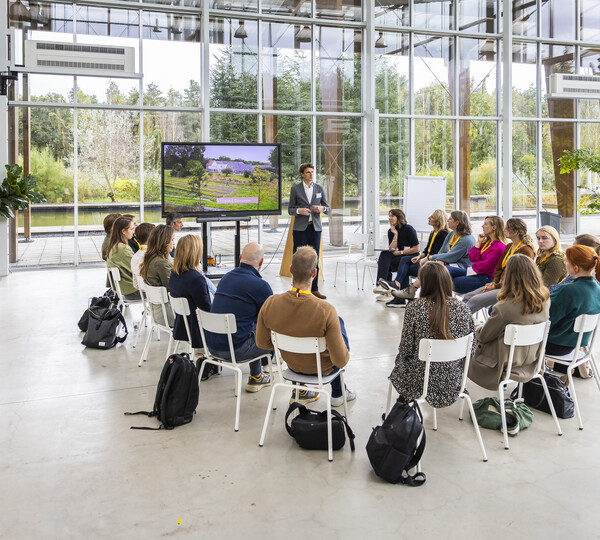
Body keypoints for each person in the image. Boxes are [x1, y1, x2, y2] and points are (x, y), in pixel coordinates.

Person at [256, 246, 356, 407]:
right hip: (322, 369)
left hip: (292, 366)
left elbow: (262, 343)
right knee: (338, 321)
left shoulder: (270, 303)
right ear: (314, 273)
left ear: (290, 270)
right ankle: (338, 392)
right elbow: (341, 360)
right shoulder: (325, 310)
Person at [388, 262, 474, 408]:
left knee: (402, 362)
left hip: (420, 380)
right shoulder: (463, 308)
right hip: (452, 379)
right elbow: (472, 348)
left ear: (424, 283)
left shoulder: (415, 308)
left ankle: (401, 407)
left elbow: (406, 349)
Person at [468, 255, 550, 390]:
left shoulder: (504, 308)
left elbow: (483, 337)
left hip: (503, 362)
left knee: (464, 344)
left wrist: (476, 323)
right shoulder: (545, 300)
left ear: (509, 276)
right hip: (533, 359)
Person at [205, 242, 273, 393]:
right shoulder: (260, 285)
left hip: (211, 347)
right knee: (269, 331)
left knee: (251, 321)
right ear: (261, 262)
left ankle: (257, 374)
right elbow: (274, 320)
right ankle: (259, 375)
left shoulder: (226, 278)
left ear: (240, 257)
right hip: (236, 351)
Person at [391, 210, 475, 305]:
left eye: (450, 219)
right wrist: (439, 260)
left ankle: (415, 292)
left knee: (432, 269)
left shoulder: (466, 239)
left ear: (457, 222)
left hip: (462, 267)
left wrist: (430, 258)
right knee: (429, 265)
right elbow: (442, 251)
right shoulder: (451, 234)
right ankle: (416, 295)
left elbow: (451, 256)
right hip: (450, 263)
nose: (448, 220)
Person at [462, 218, 535, 314]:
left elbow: (518, 279)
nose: (504, 230)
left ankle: (458, 325)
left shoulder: (526, 251)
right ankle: (458, 323)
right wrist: (493, 283)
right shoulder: (509, 246)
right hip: (499, 284)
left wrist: (496, 286)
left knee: (474, 301)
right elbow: (499, 268)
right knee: (467, 297)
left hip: (511, 288)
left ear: (516, 232)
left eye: (507, 228)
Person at [169, 234, 217, 380]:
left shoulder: (175, 274)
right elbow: (206, 309)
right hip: (198, 329)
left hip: (184, 326)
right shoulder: (196, 279)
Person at [379, 209, 449, 305]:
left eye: (432, 217)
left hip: (432, 263)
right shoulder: (433, 233)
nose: (429, 217)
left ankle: (398, 290)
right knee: (391, 258)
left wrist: (422, 257)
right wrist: (421, 256)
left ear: (438, 220)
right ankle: (400, 295)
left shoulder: (443, 234)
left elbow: (436, 253)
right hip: (423, 259)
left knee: (403, 264)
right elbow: (426, 250)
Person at [546, 245, 600, 361]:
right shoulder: (597, 289)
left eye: (566, 261)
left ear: (575, 268)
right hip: (577, 343)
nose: (565, 263)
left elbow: (546, 318)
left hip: (555, 345)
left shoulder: (568, 290)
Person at [287, 163, 329, 299]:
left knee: (314, 259)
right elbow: (290, 210)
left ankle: (314, 289)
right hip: (300, 229)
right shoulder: (295, 189)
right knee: (298, 259)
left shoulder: (319, 188)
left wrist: (322, 209)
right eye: (308, 172)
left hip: (315, 228)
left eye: (312, 172)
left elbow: (328, 208)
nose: (311, 174)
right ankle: (297, 288)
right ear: (302, 174)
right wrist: (299, 211)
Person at [372, 208, 420, 302]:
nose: (390, 218)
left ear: (399, 217)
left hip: (411, 257)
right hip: (401, 257)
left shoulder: (409, 229)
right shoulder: (391, 231)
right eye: (389, 216)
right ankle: (383, 286)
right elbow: (392, 249)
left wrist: (400, 252)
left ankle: (384, 287)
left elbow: (416, 248)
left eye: (392, 216)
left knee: (386, 263)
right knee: (384, 255)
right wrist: (395, 235)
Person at [451, 215, 506, 294]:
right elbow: (472, 257)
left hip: (485, 278)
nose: (482, 226)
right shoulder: (487, 242)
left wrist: (476, 263)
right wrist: (478, 242)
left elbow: (483, 267)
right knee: (446, 271)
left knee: (451, 281)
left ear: (494, 227)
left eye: (485, 224)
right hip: (476, 272)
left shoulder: (499, 247)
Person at [139, 224, 175, 327]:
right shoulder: (161, 263)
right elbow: (172, 289)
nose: (174, 243)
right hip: (168, 314)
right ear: (164, 242)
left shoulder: (150, 259)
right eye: (172, 240)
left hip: (157, 312)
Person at [106, 215, 140, 300]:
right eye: (131, 229)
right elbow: (138, 268)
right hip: (132, 291)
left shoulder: (115, 246)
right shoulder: (123, 249)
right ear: (123, 231)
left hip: (124, 289)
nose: (133, 232)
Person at [130, 223, 156, 289]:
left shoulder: (136, 255)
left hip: (141, 289)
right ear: (152, 237)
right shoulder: (152, 256)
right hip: (151, 292)